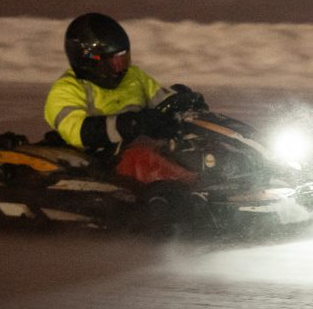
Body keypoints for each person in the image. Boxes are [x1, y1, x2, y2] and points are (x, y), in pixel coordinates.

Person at [44, 11, 204, 185]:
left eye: (123, 59)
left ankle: (223, 184)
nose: (120, 69)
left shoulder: (134, 77)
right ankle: (197, 191)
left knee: (195, 145)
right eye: (113, 62)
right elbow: (76, 131)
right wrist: (130, 124)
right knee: (141, 158)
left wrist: (185, 104)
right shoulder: (67, 89)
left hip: (141, 145)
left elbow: (163, 100)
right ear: (89, 60)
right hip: (101, 160)